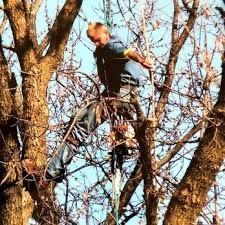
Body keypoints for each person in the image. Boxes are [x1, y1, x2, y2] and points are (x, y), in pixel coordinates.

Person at [23, 22, 153, 183]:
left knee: (80, 128)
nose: (96, 44)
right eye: (93, 41)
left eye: (98, 40)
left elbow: (126, 52)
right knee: (77, 119)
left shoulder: (112, 47)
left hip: (120, 96)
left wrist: (141, 60)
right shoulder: (107, 45)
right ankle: (58, 167)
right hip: (114, 94)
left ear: (106, 34)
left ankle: (50, 173)